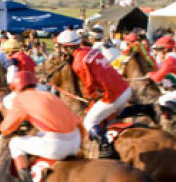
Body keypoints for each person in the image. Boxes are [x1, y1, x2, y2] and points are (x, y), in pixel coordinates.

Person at [0, 71, 83, 182]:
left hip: (57, 146)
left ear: (16, 88)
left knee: (14, 143)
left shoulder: (20, 99)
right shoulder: (48, 94)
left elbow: (6, 128)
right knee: (40, 134)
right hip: (76, 141)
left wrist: (8, 130)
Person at [56, 29, 131, 158]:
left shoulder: (78, 63)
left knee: (88, 122)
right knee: (109, 115)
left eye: (61, 47)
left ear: (67, 48)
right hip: (125, 89)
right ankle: (144, 109)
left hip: (113, 96)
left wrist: (91, 99)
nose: (61, 50)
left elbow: (90, 87)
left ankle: (105, 148)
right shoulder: (90, 50)